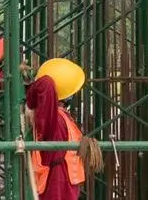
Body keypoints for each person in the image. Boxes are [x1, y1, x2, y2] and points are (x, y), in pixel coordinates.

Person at [24, 57, 102, 199]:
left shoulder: (62, 116)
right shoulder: (53, 118)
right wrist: (41, 85)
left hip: (66, 182)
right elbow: (45, 84)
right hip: (55, 184)